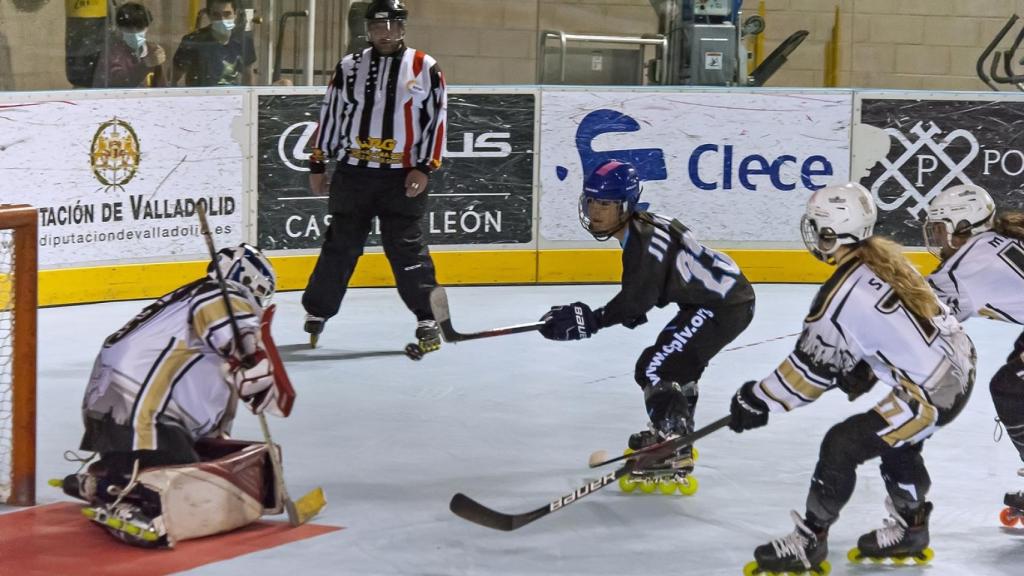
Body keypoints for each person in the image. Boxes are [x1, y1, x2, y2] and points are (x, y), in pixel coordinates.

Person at [729, 183, 976, 574]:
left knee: (842, 444)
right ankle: (912, 528)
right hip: (959, 367)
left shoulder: (839, 297)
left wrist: (757, 399)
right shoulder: (886, 260)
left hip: (930, 395)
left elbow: (808, 374)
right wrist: (863, 364)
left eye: (818, 228)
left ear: (831, 235)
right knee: (899, 443)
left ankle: (810, 541)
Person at [538, 159, 756, 492]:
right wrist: (629, 309)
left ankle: (673, 442)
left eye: (606, 204)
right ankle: (675, 433)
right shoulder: (645, 226)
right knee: (676, 367)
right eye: (592, 201)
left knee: (656, 367)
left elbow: (637, 298)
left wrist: (593, 320)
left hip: (720, 306)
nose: (596, 210)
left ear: (625, 205)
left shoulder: (641, 241)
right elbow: (650, 288)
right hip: (719, 301)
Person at [59, 244, 288, 548]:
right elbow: (238, 337)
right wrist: (255, 367)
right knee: (193, 487)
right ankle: (128, 501)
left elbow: (215, 386)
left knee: (192, 463)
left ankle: (107, 481)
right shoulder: (223, 295)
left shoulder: (187, 300)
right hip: (140, 414)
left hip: (116, 412)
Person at [302, 0, 447, 353]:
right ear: (367, 29)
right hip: (354, 173)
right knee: (340, 245)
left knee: (407, 248)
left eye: (392, 25)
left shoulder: (424, 66)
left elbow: (437, 118)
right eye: (378, 26)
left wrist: (424, 166)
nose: (385, 32)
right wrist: (319, 163)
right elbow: (332, 113)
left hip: (401, 177)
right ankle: (318, 311)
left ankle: (426, 316)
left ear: (403, 28)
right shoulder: (349, 66)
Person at [922, 184, 1024, 520]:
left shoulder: (963, 267)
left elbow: (917, 311)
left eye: (941, 230)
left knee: (1010, 386)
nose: (936, 239)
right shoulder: (997, 241)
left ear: (964, 228)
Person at [171, 0, 256, 86]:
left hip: (232, 96)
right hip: (200, 96)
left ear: (235, 14)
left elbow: (248, 76)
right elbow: (173, 77)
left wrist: (251, 98)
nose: (222, 20)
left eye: (227, 14)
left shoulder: (243, 41)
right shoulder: (193, 41)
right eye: (216, 15)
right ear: (209, 16)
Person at [92, 2, 166, 88]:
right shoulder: (112, 52)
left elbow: (161, 86)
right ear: (119, 28)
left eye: (139, 28)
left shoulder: (152, 51)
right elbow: (116, 84)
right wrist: (145, 65)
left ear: (147, 27)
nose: (135, 33)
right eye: (129, 29)